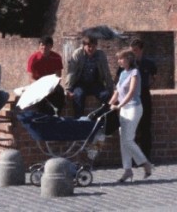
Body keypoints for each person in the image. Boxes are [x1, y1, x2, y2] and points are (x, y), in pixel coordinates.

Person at [109, 49, 154, 182]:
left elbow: (131, 92)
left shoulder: (135, 72)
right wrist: (109, 104)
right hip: (124, 109)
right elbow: (117, 92)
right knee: (123, 141)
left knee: (128, 139)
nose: (119, 61)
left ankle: (146, 164)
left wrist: (119, 105)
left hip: (134, 107)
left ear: (128, 59)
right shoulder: (122, 73)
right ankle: (127, 170)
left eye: (121, 59)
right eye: (118, 59)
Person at [66, 36, 114, 118]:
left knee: (106, 95)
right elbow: (72, 72)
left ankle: (101, 119)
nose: (91, 49)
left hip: (95, 82)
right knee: (78, 95)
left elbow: (106, 72)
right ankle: (79, 120)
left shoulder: (100, 54)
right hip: (80, 83)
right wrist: (68, 89)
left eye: (93, 46)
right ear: (84, 46)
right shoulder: (78, 54)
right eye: (89, 46)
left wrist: (111, 88)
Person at [130, 39, 157, 160]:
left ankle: (146, 156)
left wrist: (148, 85)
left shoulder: (149, 64)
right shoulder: (129, 64)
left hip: (144, 95)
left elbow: (155, 77)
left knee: (145, 126)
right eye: (132, 51)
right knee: (132, 128)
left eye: (135, 51)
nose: (133, 53)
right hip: (133, 97)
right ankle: (134, 157)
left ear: (141, 50)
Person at [26, 36, 66, 113]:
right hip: (38, 84)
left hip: (51, 84)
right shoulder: (33, 58)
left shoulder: (56, 57)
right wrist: (41, 87)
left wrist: (52, 87)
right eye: (42, 45)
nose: (44, 47)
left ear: (51, 46)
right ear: (39, 46)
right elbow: (31, 79)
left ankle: (57, 115)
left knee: (60, 91)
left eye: (47, 45)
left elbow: (58, 76)